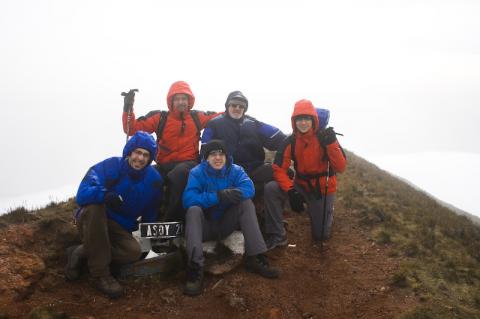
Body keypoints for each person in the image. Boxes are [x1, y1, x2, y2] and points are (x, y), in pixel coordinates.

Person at [65, 131, 163, 298]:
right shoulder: (110, 166)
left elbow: (150, 212)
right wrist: (104, 195)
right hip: (93, 219)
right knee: (96, 206)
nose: (140, 158)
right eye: (137, 152)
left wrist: (146, 246)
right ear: (129, 152)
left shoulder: (154, 180)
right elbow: (82, 193)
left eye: (145, 155)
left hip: (119, 227)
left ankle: (81, 252)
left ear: (150, 158)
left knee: (133, 252)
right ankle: (101, 274)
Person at [182, 140, 280, 296]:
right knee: (193, 210)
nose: (218, 158)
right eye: (213, 154)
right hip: (205, 227)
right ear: (206, 158)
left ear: (227, 156)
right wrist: (217, 196)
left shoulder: (236, 170)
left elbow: (249, 189)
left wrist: (232, 194)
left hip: (226, 224)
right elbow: (188, 199)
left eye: (221, 154)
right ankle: (195, 268)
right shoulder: (197, 172)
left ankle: (255, 256)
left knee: (246, 203)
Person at [122, 81, 220, 222]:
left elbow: (220, 117)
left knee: (179, 174)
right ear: (171, 101)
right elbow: (131, 128)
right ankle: (149, 218)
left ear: (189, 101)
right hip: (164, 164)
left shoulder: (196, 117)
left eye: (184, 99)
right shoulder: (160, 118)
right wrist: (128, 108)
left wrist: (233, 106)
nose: (181, 102)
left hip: (189, 163)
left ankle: (170, 219)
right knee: (148, 176)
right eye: (177, 99)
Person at [263, 99, 347, 250]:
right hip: (300, 184)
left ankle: (327, 212)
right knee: (271, 189)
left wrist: (332, 144)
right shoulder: (290, 141)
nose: (303, 123)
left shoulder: (325, 138)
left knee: (321, 236)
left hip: (322, 190)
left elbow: (340, 167)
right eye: (299, 119)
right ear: (294, 121)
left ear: (313, 120)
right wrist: (291, 190)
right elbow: (278, 169)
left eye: (306, 118)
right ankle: (277, 234)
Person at [201, 91, 286, 189]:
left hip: (255, 170)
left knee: (286, 172)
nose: (237, 108)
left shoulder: (254, 123)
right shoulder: (214, 124)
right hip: (228, 173)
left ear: (244, 109)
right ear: (227, 106)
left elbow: (278, 137)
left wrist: (295, 140)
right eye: (234, 105)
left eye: (241, 106)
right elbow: (204, 149)